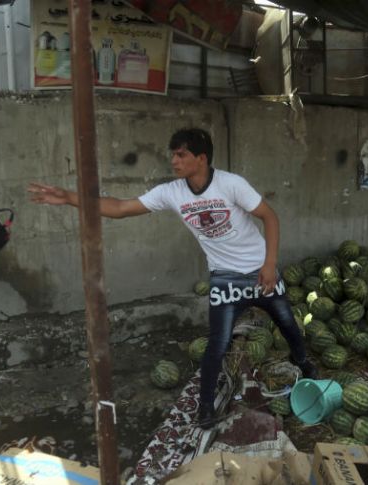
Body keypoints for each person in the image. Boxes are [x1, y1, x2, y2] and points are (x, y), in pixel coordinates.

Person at [28, 127, 318, 428]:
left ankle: (303, 363)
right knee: (217, 344)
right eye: (173, 154)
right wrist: (71, 198)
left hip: (260, 271)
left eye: (181, 154)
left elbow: (269, 216)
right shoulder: (171, 192)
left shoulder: (231, 184)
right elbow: (121, 207)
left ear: (201, 158)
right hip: (225, 277)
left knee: (287, 323)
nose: (174, 160)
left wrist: (270, 264)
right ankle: (206, 407)